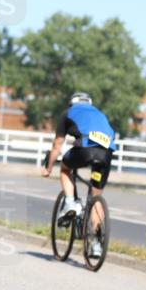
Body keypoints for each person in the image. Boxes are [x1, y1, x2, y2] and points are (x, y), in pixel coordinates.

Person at [40, 92, 117, 257]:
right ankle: (96, 244)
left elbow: (57, 146)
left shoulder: (68, 113)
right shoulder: (99, 113)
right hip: (105, 154)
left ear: (71, 103)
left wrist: (48, 168)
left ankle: (70, 203)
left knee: (65, 169)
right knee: (96, 197)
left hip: (85, 151)